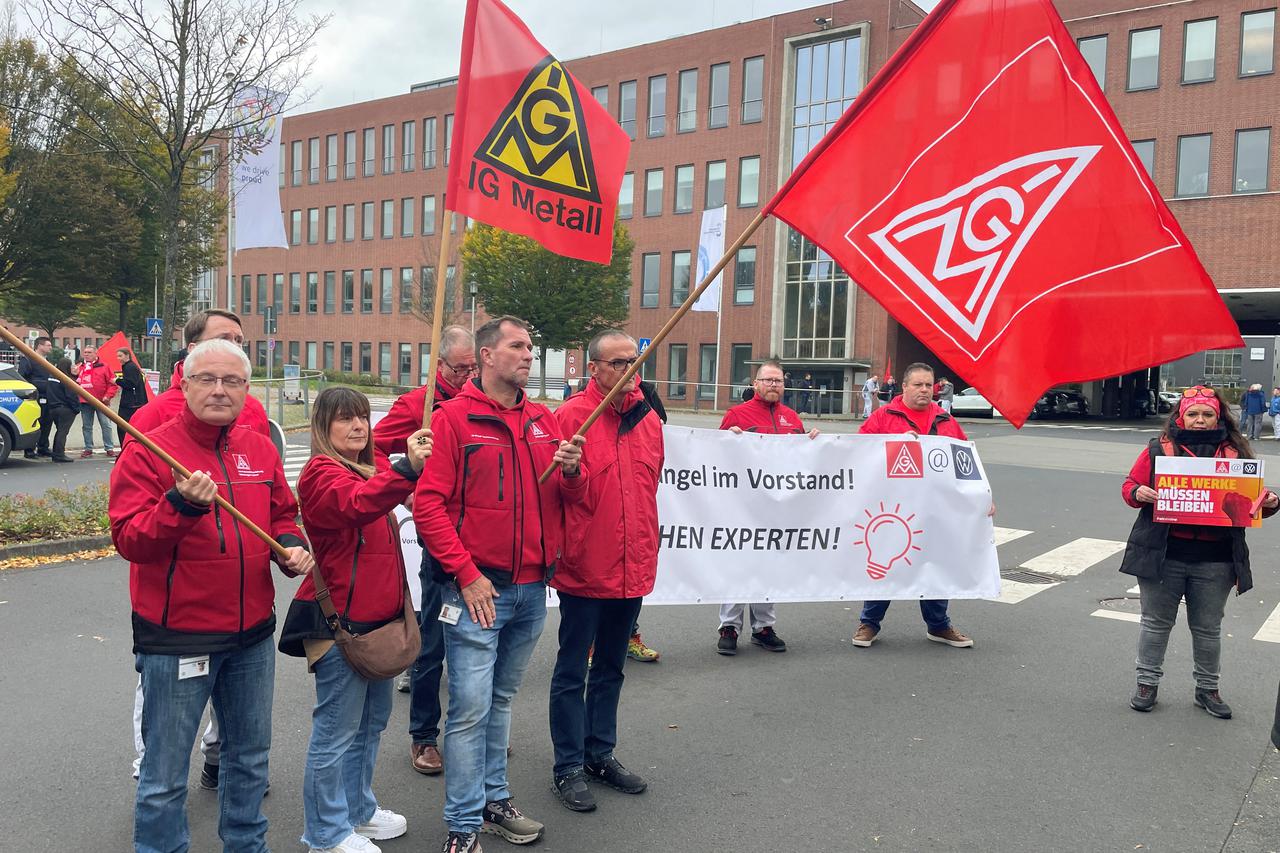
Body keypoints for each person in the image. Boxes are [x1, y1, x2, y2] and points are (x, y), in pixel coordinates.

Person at [109, 338, 314, 853]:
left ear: (247, 389)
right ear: (184, 384)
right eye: (208, 379)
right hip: (178, 639)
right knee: (165, 773)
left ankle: (245, 846)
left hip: (251, 637)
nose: (220, 391)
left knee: (248, 760)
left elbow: (281, 517)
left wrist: (289, 546)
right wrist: (179, 504)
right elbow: (131, 540)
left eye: (233, 381)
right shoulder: (148, 448)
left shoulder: (259, 447)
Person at [413, 316, 586, 853]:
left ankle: (494, 800)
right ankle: (463, 827)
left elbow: (571, 502)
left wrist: (574, 472)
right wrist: (466, 576)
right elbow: (428, 505)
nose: (529, 356)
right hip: (475, 593)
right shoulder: (453, 420)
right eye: (517, 346)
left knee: (502, 700)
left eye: (531, 347)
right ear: (487, 356)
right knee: (469, 709)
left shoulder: (544, 420)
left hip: (533, 589)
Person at [279, 388, 433, 853]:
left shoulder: (372, 469)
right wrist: (405, 469)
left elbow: (393, 498)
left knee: (369, 725)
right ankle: (324, 833)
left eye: (363, 417)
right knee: (335, 733)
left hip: (379, 628)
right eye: (345, 419)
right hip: (339, 627)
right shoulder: (322, 475)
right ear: (322, 426)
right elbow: (356, 505)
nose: (357, 426)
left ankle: (357, 811)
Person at [549, 330, 662, 813]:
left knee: (612, 668)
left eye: (632, 361)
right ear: (593, 368)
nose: (628, 370)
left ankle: (600, 752)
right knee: (573, 670)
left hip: (631, 565)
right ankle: (568, 765)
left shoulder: (649, 420)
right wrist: (570, 474)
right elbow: (557, 495)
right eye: (617, 362)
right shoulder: (570, 417)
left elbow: (649, 488)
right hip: (585, 567)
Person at [1120, 385, 1279, 718]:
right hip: (1163, 554)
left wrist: (1271, 502)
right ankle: (1146, 683)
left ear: (1218, 416)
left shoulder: (1237, 453)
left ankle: (1207, 689)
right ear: (1181, 417)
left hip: (1216, 559)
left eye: (1208, 414)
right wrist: (1139, 492)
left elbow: (1253, 504)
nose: (1200, 421)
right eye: (1193, 414)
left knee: (1208, 628)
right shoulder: (1157, 450)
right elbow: (1129, 487)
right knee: (1155, 624)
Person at [372, 325, 475, 777]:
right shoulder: (416, 405)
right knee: (432, 644)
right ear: (439, 366)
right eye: (460, 368)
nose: (468, 375)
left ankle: (473, 732)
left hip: (482, 542)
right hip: (439, 539)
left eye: (474, 367)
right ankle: (424, 738)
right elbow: (372, 448)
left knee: (479, 648)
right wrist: (405, 488)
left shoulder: (482, 404)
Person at [854, 363, 975, 649]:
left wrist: (982, 497)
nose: (924, 390)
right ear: (904, 387)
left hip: (935, 509)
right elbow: (857, 454)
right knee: (885, 562)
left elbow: (965, 465)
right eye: (917, 385)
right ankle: (869, 623)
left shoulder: (946, 420)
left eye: (928, 385)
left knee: (935, 564)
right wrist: (895, 443)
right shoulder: (883, 418)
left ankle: (938, 625)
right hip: (892, 508)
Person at [715, 359, 818, 655]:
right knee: (739, 563)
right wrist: (728, 438)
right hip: (743, 505)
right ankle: (730, 626)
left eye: (778, 381)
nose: (774, 386)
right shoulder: (738, 414)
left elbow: (804, 461)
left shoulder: (792, 418)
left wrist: (814, 443)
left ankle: (763, 627)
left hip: (777, 507)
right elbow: (715, 455)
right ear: (756, 383)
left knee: (770, 564)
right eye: (768, 380)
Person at [128, 309, 269, 439]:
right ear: (193, 349)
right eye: (222, 339)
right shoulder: (154, 414)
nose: (234, 347)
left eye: (238, 340)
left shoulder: (252, 409)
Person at [76, 344, 118, 457]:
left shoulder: (104, 366)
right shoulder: (80, 367)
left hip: (101, 401)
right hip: (85, 401)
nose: (87, 354)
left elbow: (113, 384)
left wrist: (108, 396)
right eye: (85, 352)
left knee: (106, 425)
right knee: (87, 426)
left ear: (95, 354)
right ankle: (88, 448)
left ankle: (109, 448)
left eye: (89, 352)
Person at [17, 335, 53, 459]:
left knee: (47, 422)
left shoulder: (47, 360)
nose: (51, 348)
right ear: (40, 346)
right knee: (34, 422)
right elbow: (22, 377)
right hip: (34, 397)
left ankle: (43, 447)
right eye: (48, 345)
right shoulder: (28, 360)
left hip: (47, 395)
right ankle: (29, 449)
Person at [45, 358, 80, 463]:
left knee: (59, 431)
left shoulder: (51, 377)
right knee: (62, 432)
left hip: (53, 408)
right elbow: (71, 396)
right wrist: (76, 409)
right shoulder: (65, 379)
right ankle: (59, 454)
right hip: (65, 409)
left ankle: (56, 453)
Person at [116, 348, 149, 443]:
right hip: (133, 401)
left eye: (120, 356)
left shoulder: (129, 367)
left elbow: (131, 383)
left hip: (132, 403)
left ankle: (126, 445)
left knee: (123, 426)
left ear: (127, 355)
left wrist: (117, 381)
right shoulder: (129, 366)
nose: (118, 358)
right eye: (117, 356)